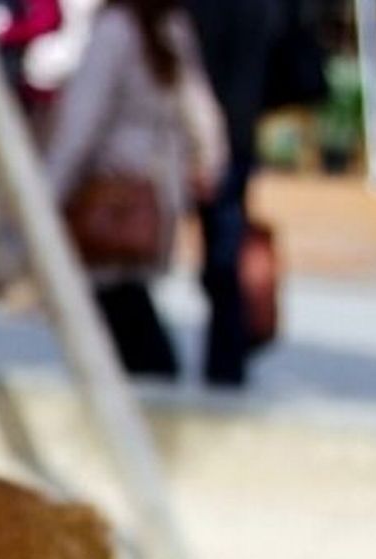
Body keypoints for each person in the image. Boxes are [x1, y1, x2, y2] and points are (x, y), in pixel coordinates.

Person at [45, 0, 224, 379]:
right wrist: (209, 160)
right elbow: (198, 104)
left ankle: (146, 392)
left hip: (113, 191)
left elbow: (82, 119)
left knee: (114, 307)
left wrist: (48, 189)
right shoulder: (169, 26)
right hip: (155, 192)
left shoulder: (116, 28)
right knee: (125, 303)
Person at [185, 0, 284, 388]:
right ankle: (225, 359)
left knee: (223, 260)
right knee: (223, 255)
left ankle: (224, 359)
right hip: (233, 131)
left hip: (206, 135)